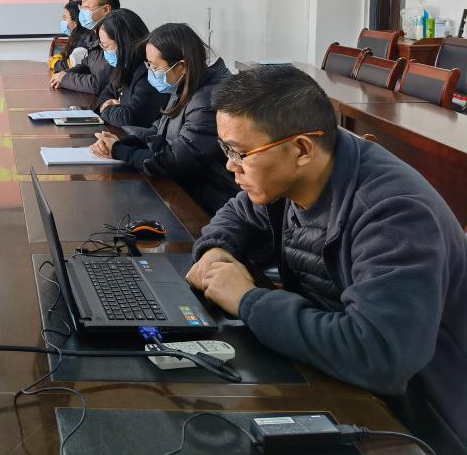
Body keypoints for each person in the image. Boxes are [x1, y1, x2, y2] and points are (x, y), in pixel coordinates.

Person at [187, 65, 466, 453]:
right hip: (332, 373)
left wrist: (248, 301)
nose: (230, 166)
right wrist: (216, 251)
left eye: (240, 153)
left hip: (415, 418)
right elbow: (238, 214)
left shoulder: (394, 214)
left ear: (302, 149)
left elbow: (381, 355)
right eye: (226, 149)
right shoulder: (298, 173)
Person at [91, 22, 235, 214]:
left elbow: (177, 161)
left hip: (205, 202)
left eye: (155, 66)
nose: (150, 71)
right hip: (184, 189)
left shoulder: (206, 101)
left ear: (181, 66)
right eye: (148, 64)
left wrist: (119, 150)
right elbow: (158, 131)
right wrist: (122, 142)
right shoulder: (186, 85)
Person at [93, 9, 169, 130]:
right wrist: (110, 105)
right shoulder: (125, 66)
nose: (104, 51)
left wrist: (106, 109)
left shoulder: (150, 71)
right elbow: (106, 93)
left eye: (106, 45)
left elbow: (131, 118)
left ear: (124, 42)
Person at [50, 0, 119, 94]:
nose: (81, 12)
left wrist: (65, 79)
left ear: (106, 9)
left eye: (86, 7)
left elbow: (99, 83)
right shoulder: (94, 35)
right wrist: (65, 74)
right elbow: (86, 65)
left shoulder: (114, 37)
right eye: (81, 7)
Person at [50, 0, 89, 73]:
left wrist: (55, 63)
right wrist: (61, 57)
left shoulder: (84, 40)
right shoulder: (76, 37)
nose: (63, 21)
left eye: (65, 18)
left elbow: (72, 66)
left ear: (75, 22)